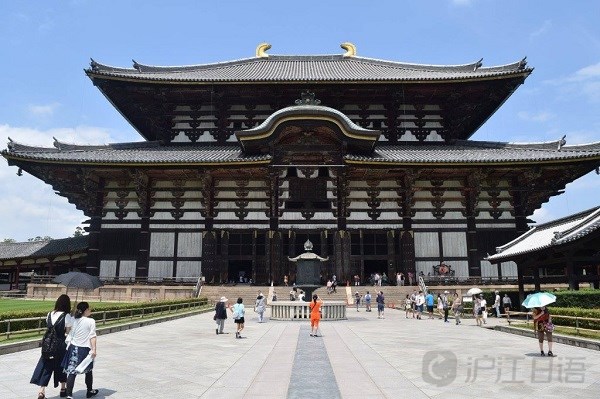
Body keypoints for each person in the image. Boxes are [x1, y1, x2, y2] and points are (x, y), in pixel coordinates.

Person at [31, 294, 73, 399]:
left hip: (48, 344)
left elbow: (49, 328)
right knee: (62, 366)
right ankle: (63, 389)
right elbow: (67, 333)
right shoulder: (67, 316)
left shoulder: (49, 314)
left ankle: (41, 390)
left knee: (46, 366)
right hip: (60, 344)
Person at [61, 301, 98, 399]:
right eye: (89, 309)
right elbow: (92, 336)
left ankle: (69, 395)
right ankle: (89, 390)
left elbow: (67, 331)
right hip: (85, 349)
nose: (90, 310)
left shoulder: (73, 319)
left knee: (72, 372)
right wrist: (94, 349)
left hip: (73, 348)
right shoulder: (91, 321)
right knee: (88, 370)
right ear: (85, 310)